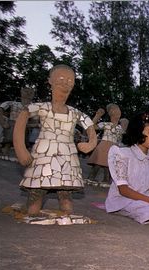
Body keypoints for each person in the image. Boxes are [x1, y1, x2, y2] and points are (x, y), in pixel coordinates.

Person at [13, 64, 97, 216]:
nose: (65, 83)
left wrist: (91, 143)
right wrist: (20, 149)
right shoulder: (42, 107)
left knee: (66, 200)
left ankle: (64, 210)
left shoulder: (74, 112)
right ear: (50, 81)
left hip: (67, 158)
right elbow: (23, 116)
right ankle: (32, 208)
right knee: (36, 198)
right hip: (44, 156)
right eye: (61, 79)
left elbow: (90, 125)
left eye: (70, 80)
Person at [87, 104, 125, 186]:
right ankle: (91, 178)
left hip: (114, 147)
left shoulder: (119, 128)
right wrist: (97, 116)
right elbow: (93, 127)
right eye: (114, 110)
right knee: (98, 161)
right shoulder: (106, 124)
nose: (118, 113)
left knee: (109, 164)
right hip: (104, 144)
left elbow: (123, 136)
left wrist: (125, 125)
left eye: (118, 110)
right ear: (110, 113)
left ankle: (106, 180)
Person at [0, 87, 35, 159]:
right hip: (12, 123)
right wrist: (3, 122)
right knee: (13, 125)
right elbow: (0, 110)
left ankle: (21, 152)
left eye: (30, 92)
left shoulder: (34, 107)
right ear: (21, 92)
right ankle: (6, 148)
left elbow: (35, 120)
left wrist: (31, 125)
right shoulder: (13, 103)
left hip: (24, 126)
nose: (28, 94)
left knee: (22, 129)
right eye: (26, 91)